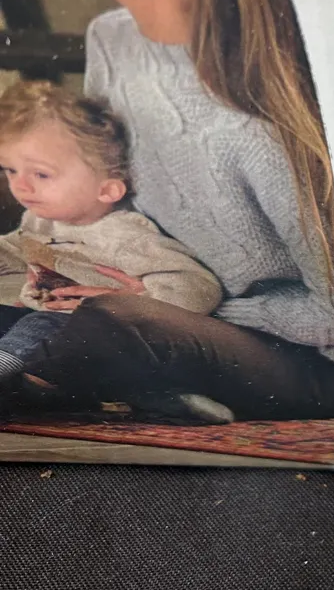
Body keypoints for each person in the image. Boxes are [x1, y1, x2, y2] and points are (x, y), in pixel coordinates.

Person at [14, 0, 334, 421]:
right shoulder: (112, 37)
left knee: (120, 322)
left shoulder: (255, 133)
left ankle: (31, 376)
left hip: (299, 354)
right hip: (149, 284)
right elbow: (98, 173)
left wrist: (176, 301)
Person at [0, 81, 226, 415]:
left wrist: (141, 301)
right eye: (10, 170)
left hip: (93, 333)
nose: (20, 185)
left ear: (106, 191)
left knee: (42, 326)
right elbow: (14, 248)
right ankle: (146, 395)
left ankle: (10, 374)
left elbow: (199, 286)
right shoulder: (40, 219)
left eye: (41, 175)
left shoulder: (125, 236)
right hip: (49, 322)